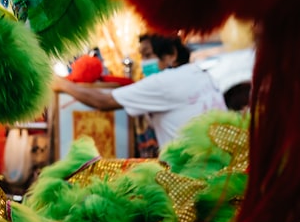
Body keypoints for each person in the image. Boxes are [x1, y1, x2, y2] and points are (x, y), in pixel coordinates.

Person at [53, 33, 225, 147]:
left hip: (191, 176)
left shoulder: (164, 82)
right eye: (142, 57)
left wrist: (61, 84)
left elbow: (103, 101)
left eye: (148, 55)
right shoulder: (199, 74)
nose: (143, 63)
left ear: (171, 55)